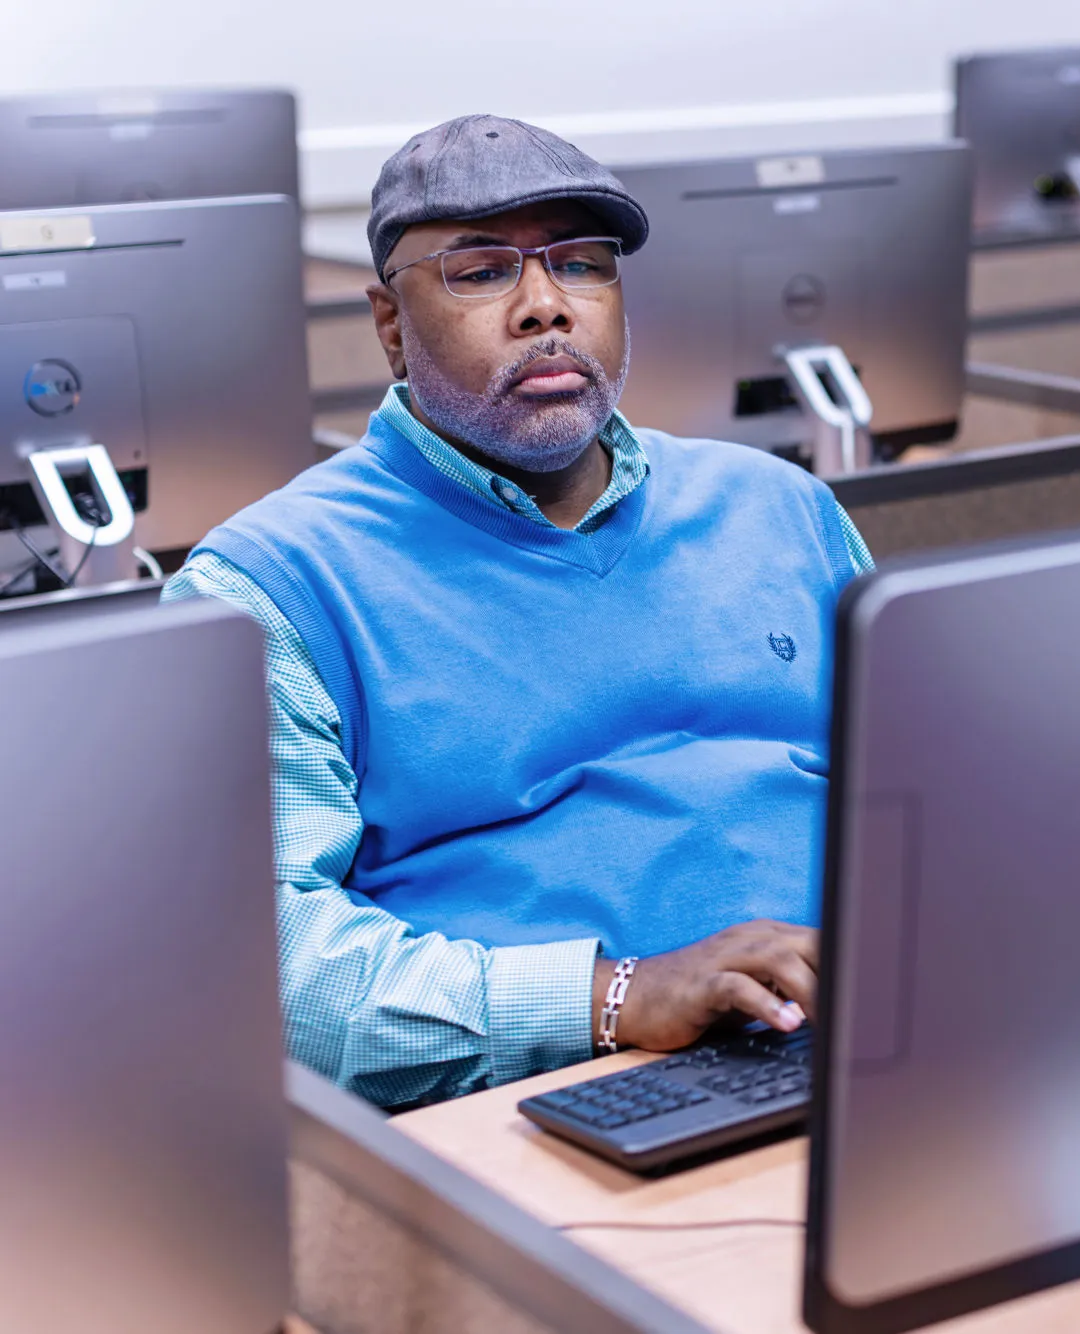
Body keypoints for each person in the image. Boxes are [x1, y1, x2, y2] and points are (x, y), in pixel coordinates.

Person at [164, 116, 874, 1108]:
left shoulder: (776, 503)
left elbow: (934, 784)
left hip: (870, 1033)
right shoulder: (271, 587)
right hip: (569, 1091)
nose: (546, 306)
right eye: (481, 271)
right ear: (387, 325)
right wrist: (612, 995)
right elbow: (261, 968)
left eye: (582, 264)